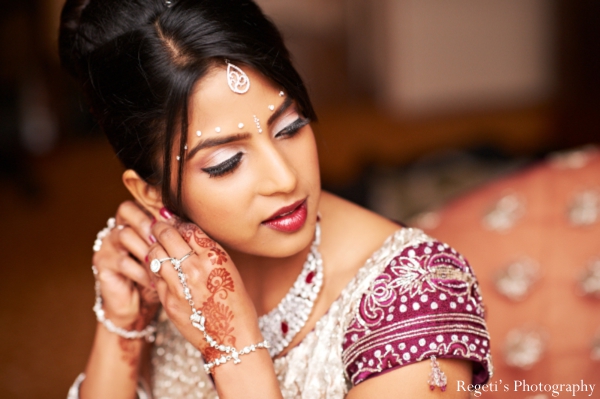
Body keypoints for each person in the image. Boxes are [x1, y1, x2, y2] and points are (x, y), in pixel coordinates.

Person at [59, 0, 492, 398]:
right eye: (226, 162)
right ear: (151, 194)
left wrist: (236, 352)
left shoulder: (418, 299)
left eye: (290, 127)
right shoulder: (166, 274)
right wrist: (122, 323)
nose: (284, 178)